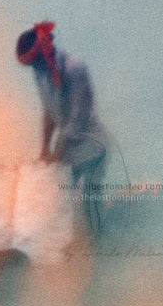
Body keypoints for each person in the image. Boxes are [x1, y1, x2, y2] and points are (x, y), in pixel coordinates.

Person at [16, 21, 109, 235]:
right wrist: (44, 150)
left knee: (89, 202)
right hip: (66, 145)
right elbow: (48, 112)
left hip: (90, 145)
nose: (33, 68)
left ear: (42, 52)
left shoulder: (73, 68)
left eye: (34, 62)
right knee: (58, 201)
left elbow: (76, 119)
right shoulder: (41, 72)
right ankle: (66, 242)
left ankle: (97, 243)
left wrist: (57, 153)